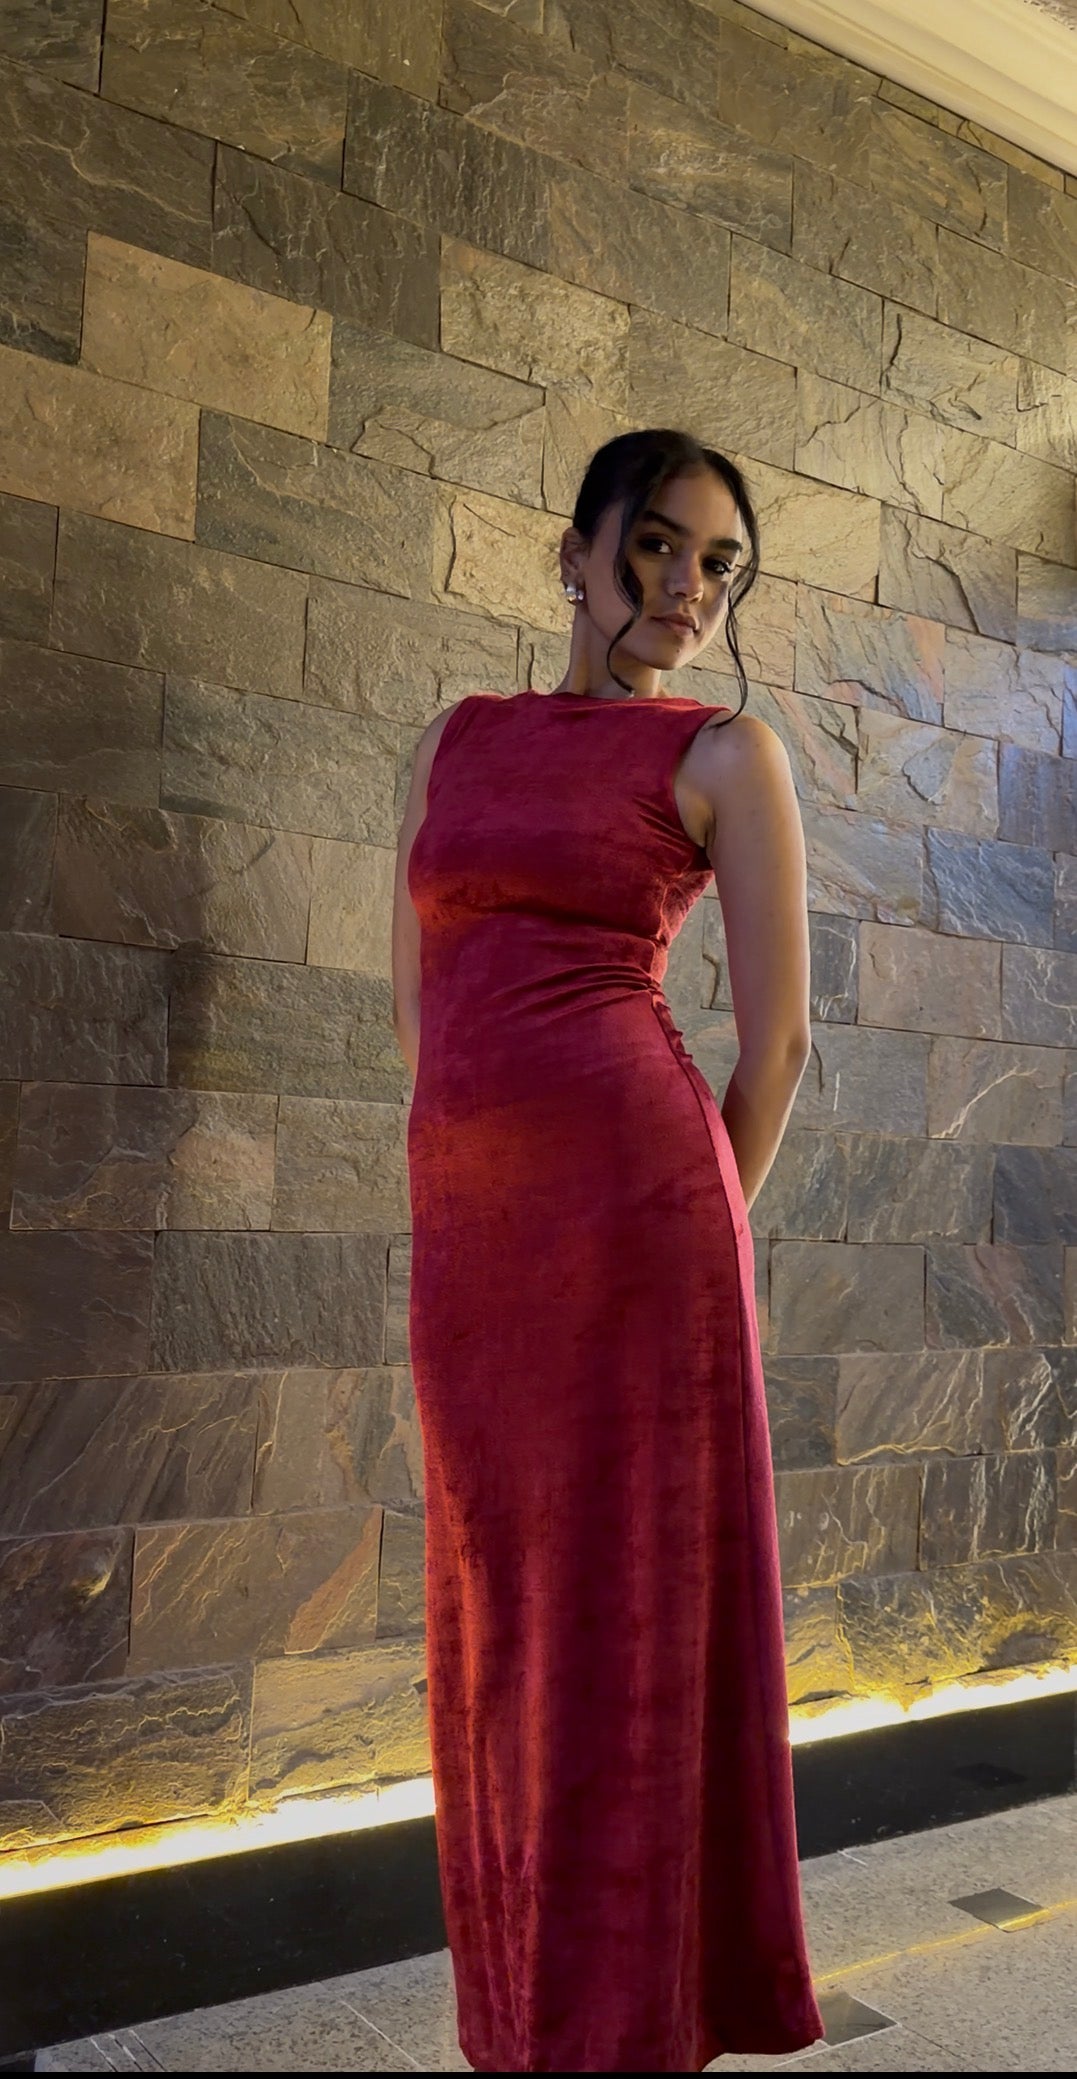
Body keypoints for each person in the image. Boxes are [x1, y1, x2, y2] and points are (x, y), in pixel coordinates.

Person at [391, 429, 824, 2073]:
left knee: (620, 1614)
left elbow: (777, 1047)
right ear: (572, 552)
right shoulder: (457, 740)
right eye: (655, 544)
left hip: (641, 1228)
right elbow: (419, 1011)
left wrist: (689, 1238)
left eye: (718, 564)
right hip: (474, 1230)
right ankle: (526, 2009)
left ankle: (629, 2024)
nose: (685, 587)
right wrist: (460, 1192)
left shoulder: (723, 754)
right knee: (499, 1599)